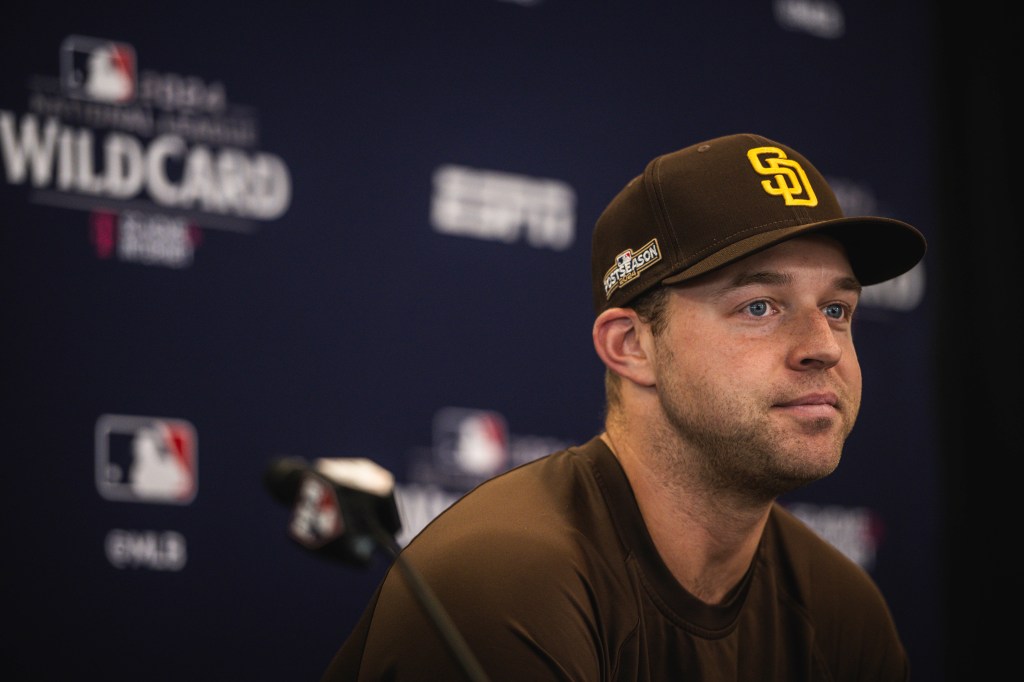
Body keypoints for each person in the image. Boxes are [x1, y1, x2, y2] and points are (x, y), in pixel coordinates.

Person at [321, 132, 926, 681]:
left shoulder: (842, 611)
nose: (823, 347)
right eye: (760, 307)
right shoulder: (505, 582)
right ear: (632, 346)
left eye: (837, 310)